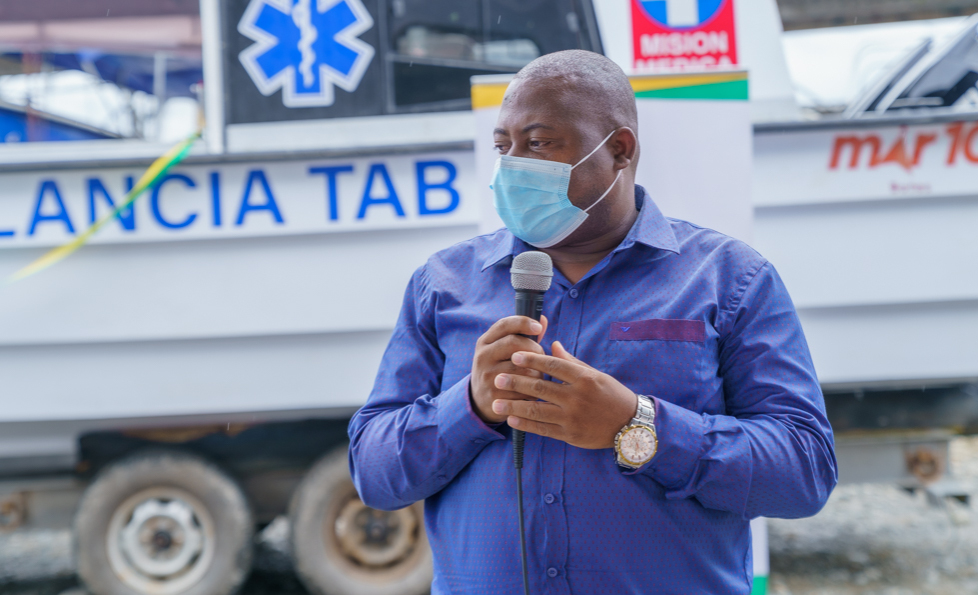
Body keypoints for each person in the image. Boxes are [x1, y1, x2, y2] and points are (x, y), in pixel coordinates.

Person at [348, 50, 836, 594]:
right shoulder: (442, 284)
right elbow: (373, 473)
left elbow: (803, 471)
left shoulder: (728, 277)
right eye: (503, 146)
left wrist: (639, 425)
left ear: (619, 150)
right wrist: (472, 406)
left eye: (538, 143)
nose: (513, 165)